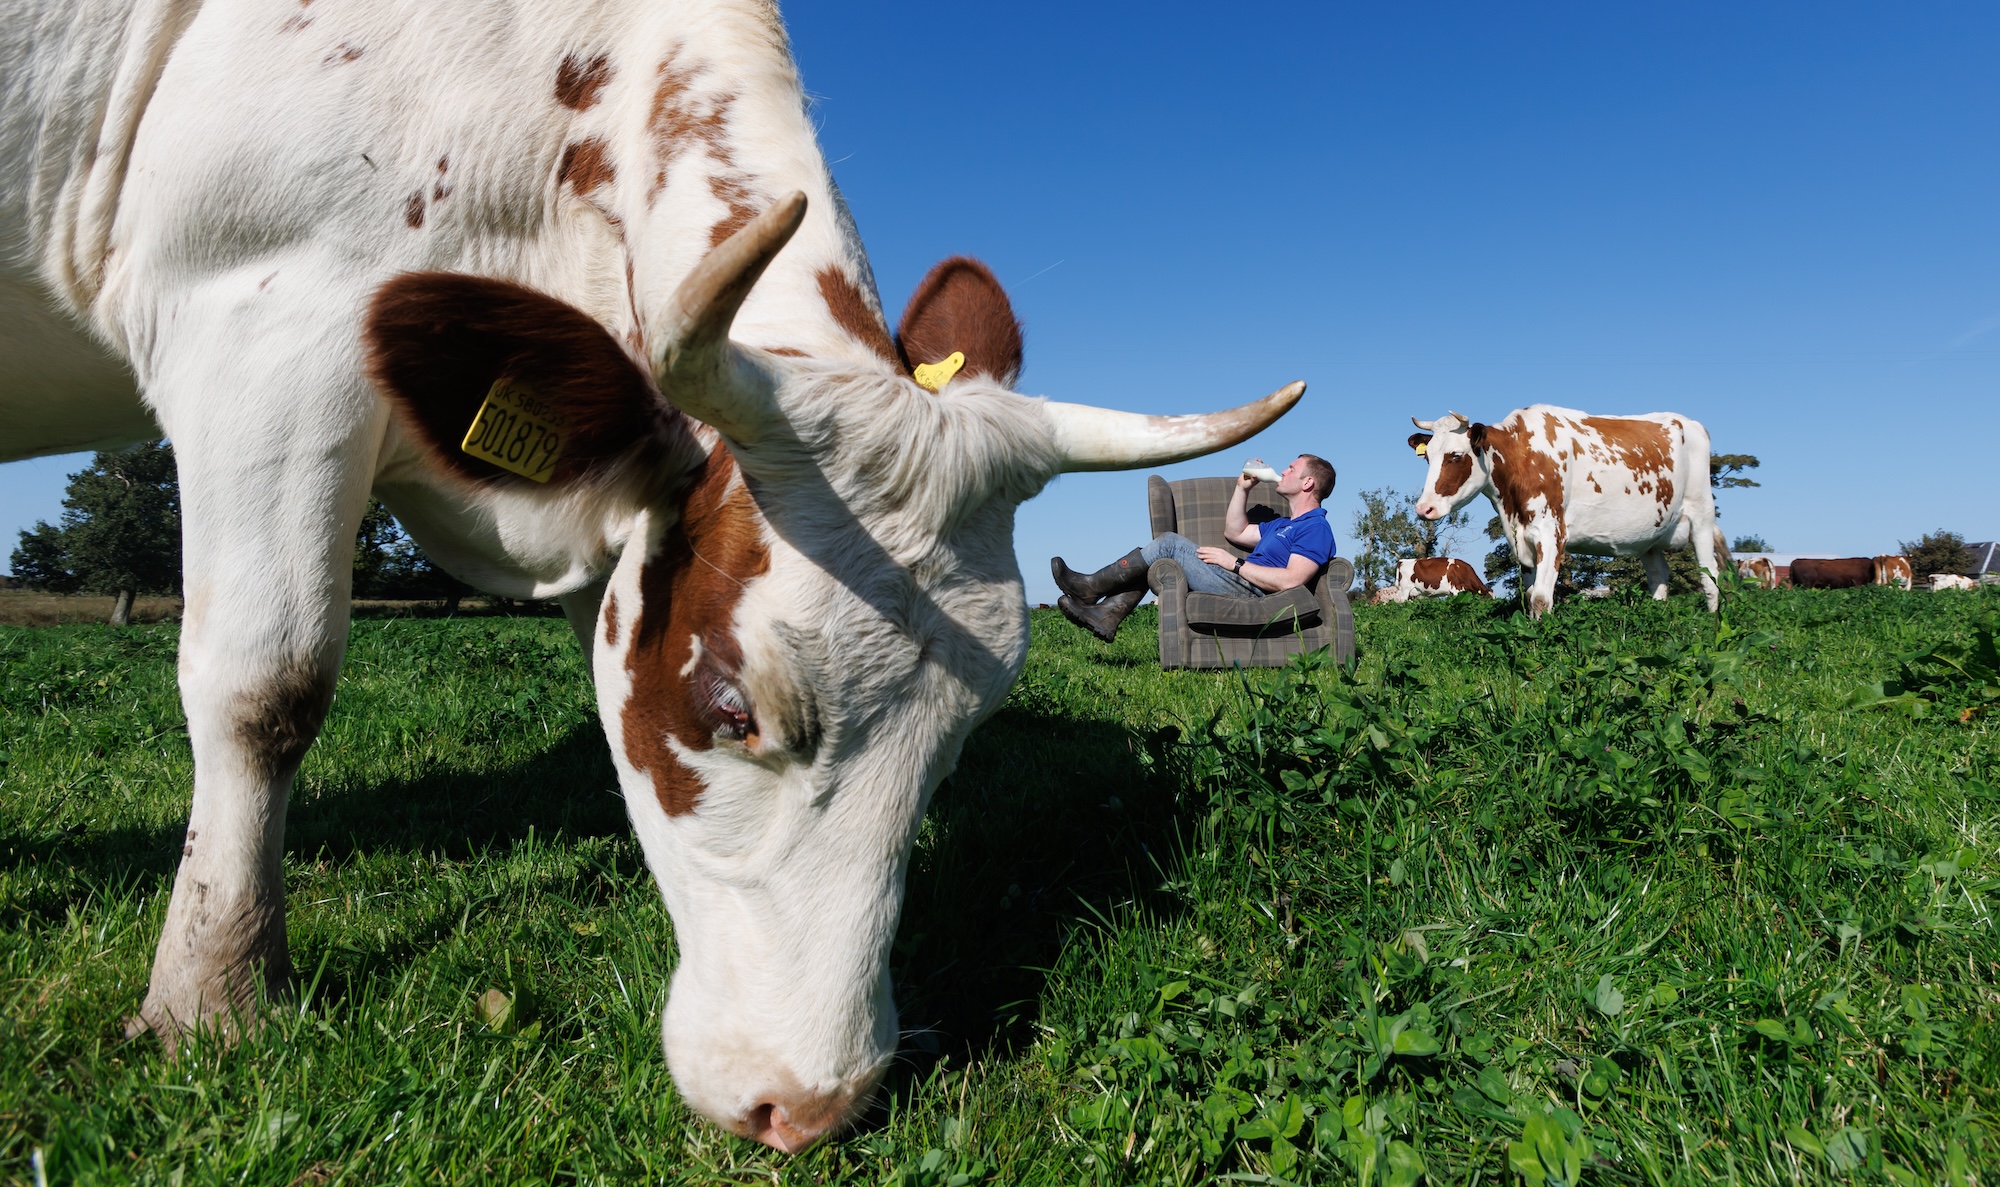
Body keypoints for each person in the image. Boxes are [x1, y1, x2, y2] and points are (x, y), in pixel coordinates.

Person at [1051, 453, 1336, 642]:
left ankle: (1091, 587)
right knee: (1162, 555)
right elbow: (1234, 531)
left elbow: (1291, 580)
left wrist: (1233, 564)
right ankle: (1106, 615)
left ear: (1308, 482)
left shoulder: (1315, 527)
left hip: (1254, 591)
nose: (1284, 471)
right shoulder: (1281, 524)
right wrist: (1242, 488)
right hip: (1240, 580)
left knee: (1169, 545)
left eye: (1292, 469)